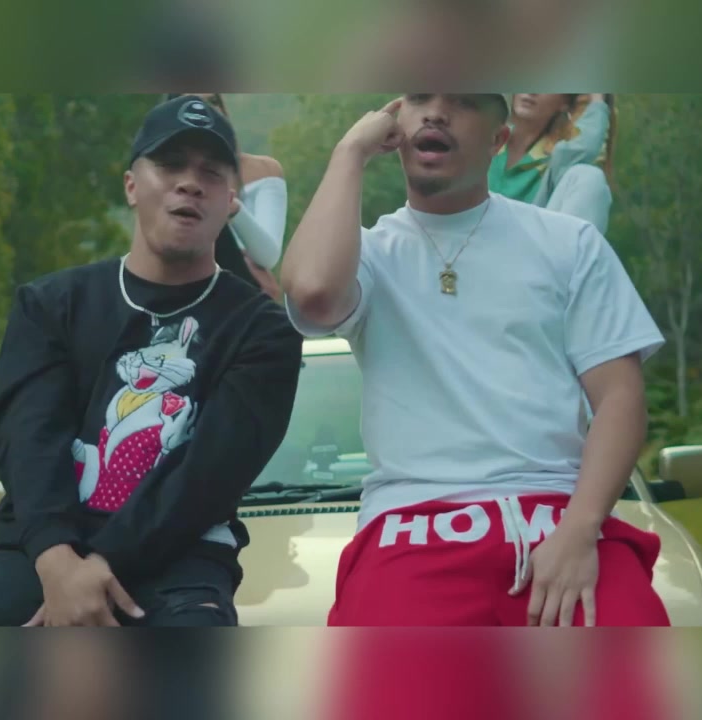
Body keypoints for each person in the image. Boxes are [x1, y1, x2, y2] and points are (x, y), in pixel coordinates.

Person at [279, 94, 669, 628]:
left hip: (562, 514)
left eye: (462, 102)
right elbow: (312, 294)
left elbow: (620, 398)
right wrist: (349, 153)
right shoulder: (370, 255)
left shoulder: (569, 243)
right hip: (411, 525)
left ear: (498, 139)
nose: (436, 113)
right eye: (420, 97)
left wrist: (580, 531)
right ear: (396, 123)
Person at [0, 94, 303, 627]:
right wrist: (58, 564)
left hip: (184, 559)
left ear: (230, 200)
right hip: (41, 553)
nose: (190, 183)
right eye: (170, 165)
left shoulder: (262, 331)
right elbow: (28, 441)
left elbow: (208, 476)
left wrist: (98, 569)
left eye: (211, 172)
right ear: (131, 185)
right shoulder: (50, 305)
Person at [166, 93, 288, 301]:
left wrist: (233, 208)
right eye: (196, 104)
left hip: (247, 296)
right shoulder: (168, 179)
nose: (209, 110)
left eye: (213, 101)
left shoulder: (264, 171)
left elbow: (267, 256)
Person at [489, 93, 617, 234]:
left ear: (565, 103)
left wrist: (597, 99)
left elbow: (585, 148)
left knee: (590, 176)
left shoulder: (558, 158)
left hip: (524, 245)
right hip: (472, 240)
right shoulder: (485, 138)